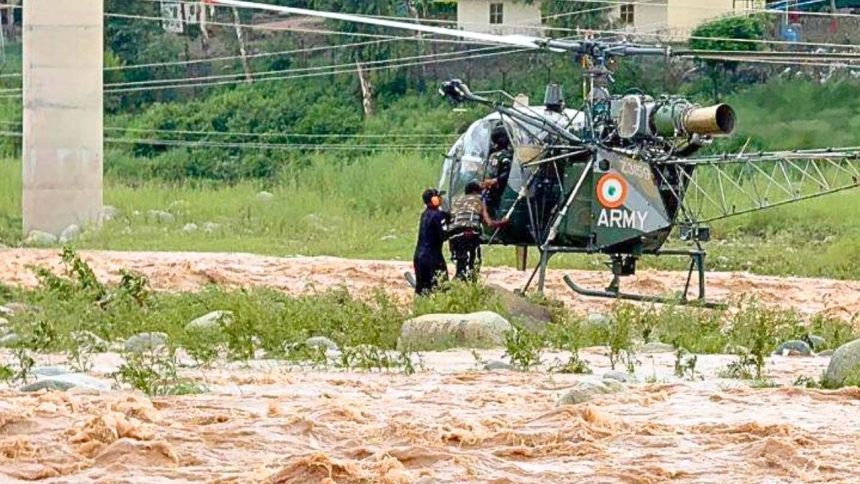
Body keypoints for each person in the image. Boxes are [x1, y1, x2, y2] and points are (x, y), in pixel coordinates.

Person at [448, 181, 508, 282]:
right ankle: (472, 279)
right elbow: (489, 223)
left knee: (460, 261)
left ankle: (459, 278)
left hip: (454, 235)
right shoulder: (479, 200)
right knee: (473, 260)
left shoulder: (457, 201)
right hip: (470, 232)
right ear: (475, 192)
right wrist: (502, 222)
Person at [413, 188, 449, 296]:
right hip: (433, 257)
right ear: (434, 199)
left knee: (422, 290)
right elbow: (444, 236)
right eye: (438, 197)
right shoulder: (438, 215)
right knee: (442, 286)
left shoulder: (424, 215)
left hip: (419, 257)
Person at [481, 125, 514, 215]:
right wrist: (495, 180)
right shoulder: (504, 155)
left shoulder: (493, 154)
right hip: (499, 190)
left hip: (494, 189)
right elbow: (508, 172)